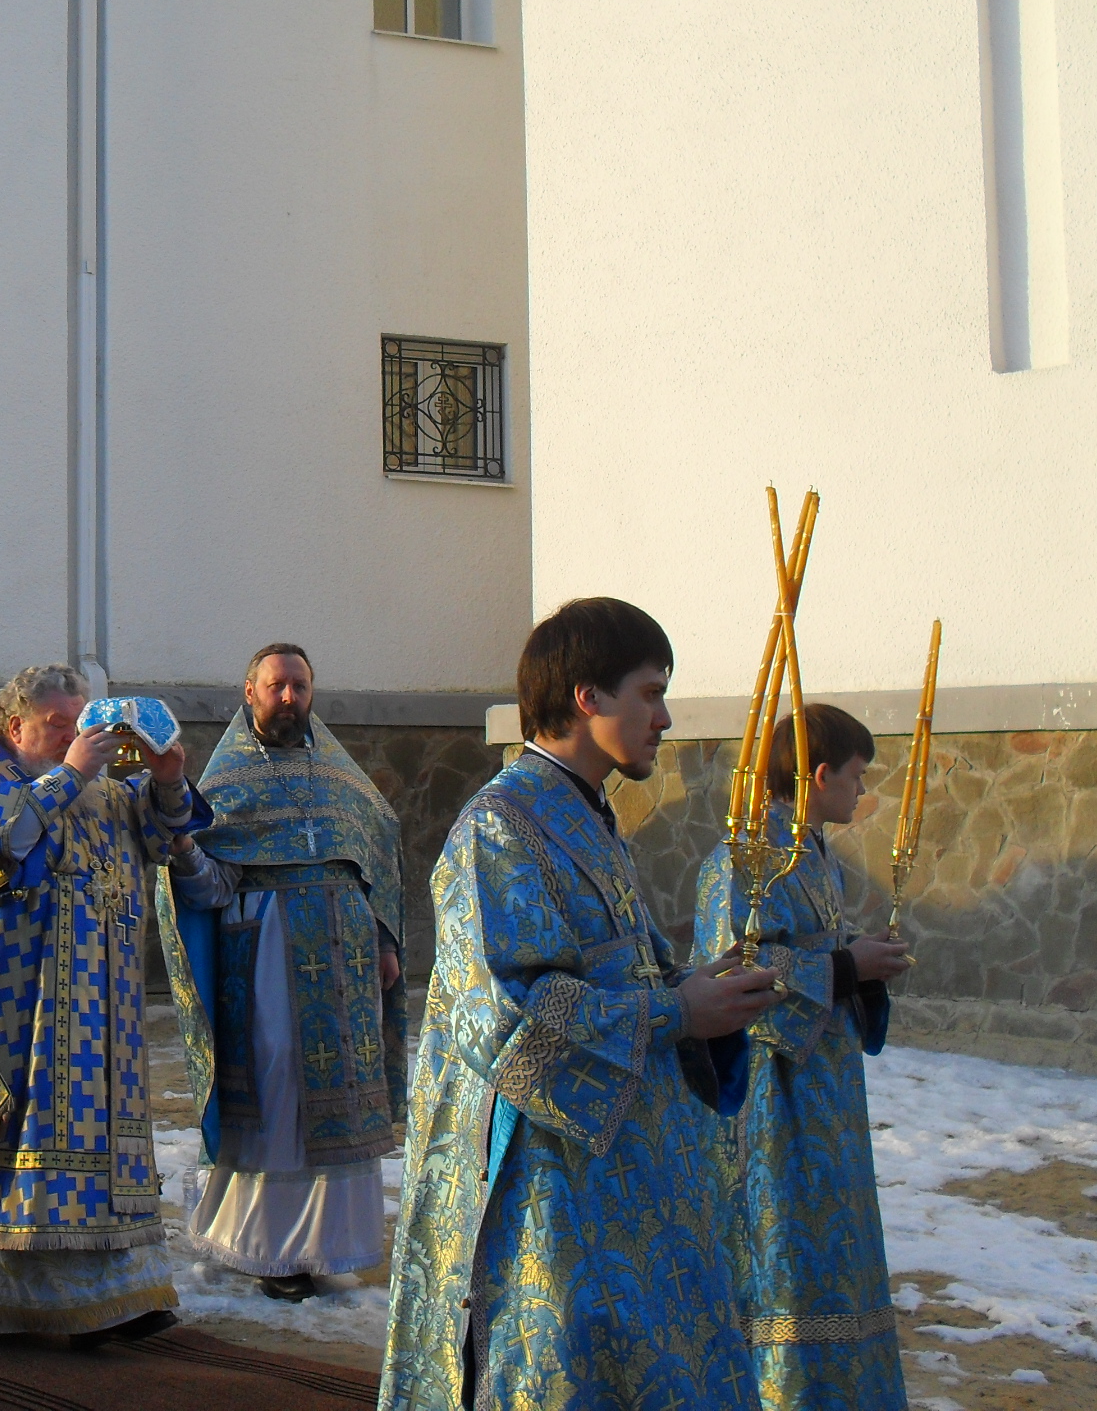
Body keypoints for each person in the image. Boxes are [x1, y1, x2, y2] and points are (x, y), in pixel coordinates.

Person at [381, 598, 779, 1410]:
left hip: (624, 1160)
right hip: (545, 1180)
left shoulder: (587, 818)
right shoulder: (497, 828)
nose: (665, 718)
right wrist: (676, 1014)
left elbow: (613, 977)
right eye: (650, 692)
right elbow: (510, 1019)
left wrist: (700, 985)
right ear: (587, 697)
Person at [0, 666, 210, 1339]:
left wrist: (170, 776)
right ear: (17, 728)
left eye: (83, 723)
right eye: (60, 725)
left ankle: (122, 1294)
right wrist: (67, 772)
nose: (80, 737)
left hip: (106, 1008)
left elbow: (164, 835)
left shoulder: (109, 794)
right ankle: (32, 1302)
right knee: (36, 1145)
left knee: (108, 1147)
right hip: (23, 1009)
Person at [164, 643, 408, 1301]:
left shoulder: (342, 780)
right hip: (267, 953)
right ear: (250, 693)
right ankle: (266, 1247)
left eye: (299, 686)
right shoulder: (225, 786)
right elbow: (209, 885)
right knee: (276, 1083)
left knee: (341, 1093)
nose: (289, 698)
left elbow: (375, 855)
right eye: (276, 686)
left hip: (344, 963)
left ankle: (331, 1245)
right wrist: (184, 849)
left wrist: (385, 938)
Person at [694, 703, 912, 1408]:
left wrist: (861, 968)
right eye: (856, 775)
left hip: (828, 1094)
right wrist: (847, 968)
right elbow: (732, 969)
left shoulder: (817, 855)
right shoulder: (742, 858)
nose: (862, 790)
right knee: (780, 1256)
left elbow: (820, 954)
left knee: (832, 1253)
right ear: (819, 775)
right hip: (769, 1100)